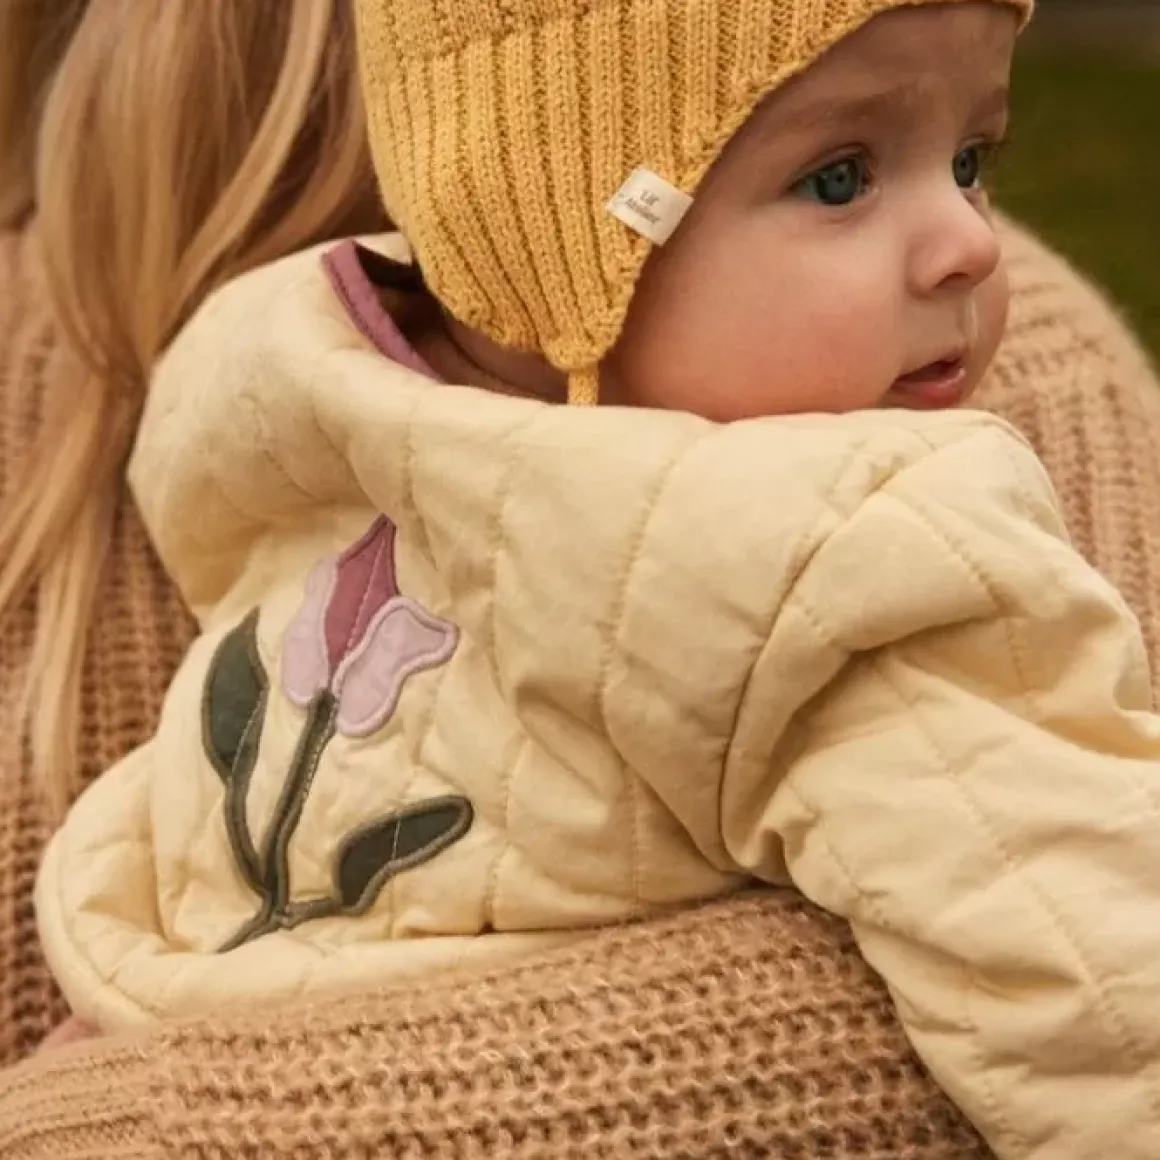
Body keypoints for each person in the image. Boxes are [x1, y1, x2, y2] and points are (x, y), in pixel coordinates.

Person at [3, 2, 1160, 1158]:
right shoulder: (362, 430)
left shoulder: (851, 561)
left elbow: (1087, 968)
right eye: (838, 176)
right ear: (556, 257)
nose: (969, 240)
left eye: (969, 162)